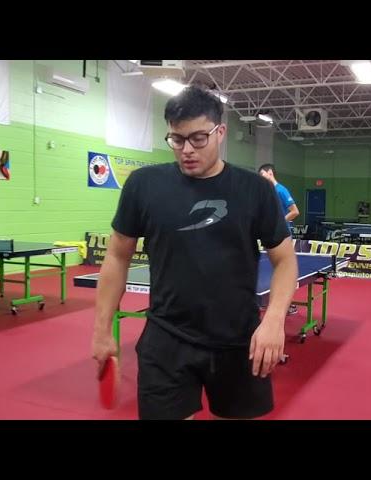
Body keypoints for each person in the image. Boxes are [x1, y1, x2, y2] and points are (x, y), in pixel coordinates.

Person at [91, 85, 298, 420]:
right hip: (166, 340)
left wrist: (273, 321)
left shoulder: (256, 190)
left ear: (221, 132)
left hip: (238, 340)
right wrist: (101, 330)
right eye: (176, 139)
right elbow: (117, 256)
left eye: (198, 138)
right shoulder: (143, 185)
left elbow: (285, 259)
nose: (186, 149)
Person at [258, 163, 300, 315]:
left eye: (262, 174)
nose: (261, 178)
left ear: (270, 173)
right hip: (269, 235)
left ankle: (285, 305)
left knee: (282, 271)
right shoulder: (267, 191)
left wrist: (279, 221)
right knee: (269, 271)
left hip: (283, 237)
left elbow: (295, 211)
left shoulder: (281, 190)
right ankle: (268, 301)